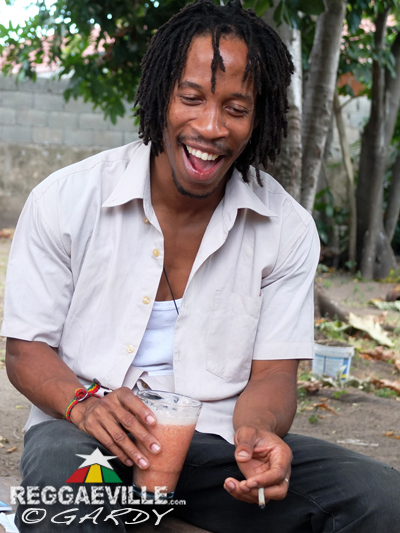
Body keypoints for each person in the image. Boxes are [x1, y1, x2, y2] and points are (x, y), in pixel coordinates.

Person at [2, 1, 399, 531]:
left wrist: (258, 433)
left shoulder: (286, 227)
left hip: (218, 450)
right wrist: (84, 404)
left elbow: (274, 374)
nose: (211, 127)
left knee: (382, 499)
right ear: (160, 95)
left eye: (236, 108)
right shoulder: (66, 200)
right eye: (191, 98)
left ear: (258, 119)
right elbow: (26, 351)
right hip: (88, 435)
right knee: (66, 487)